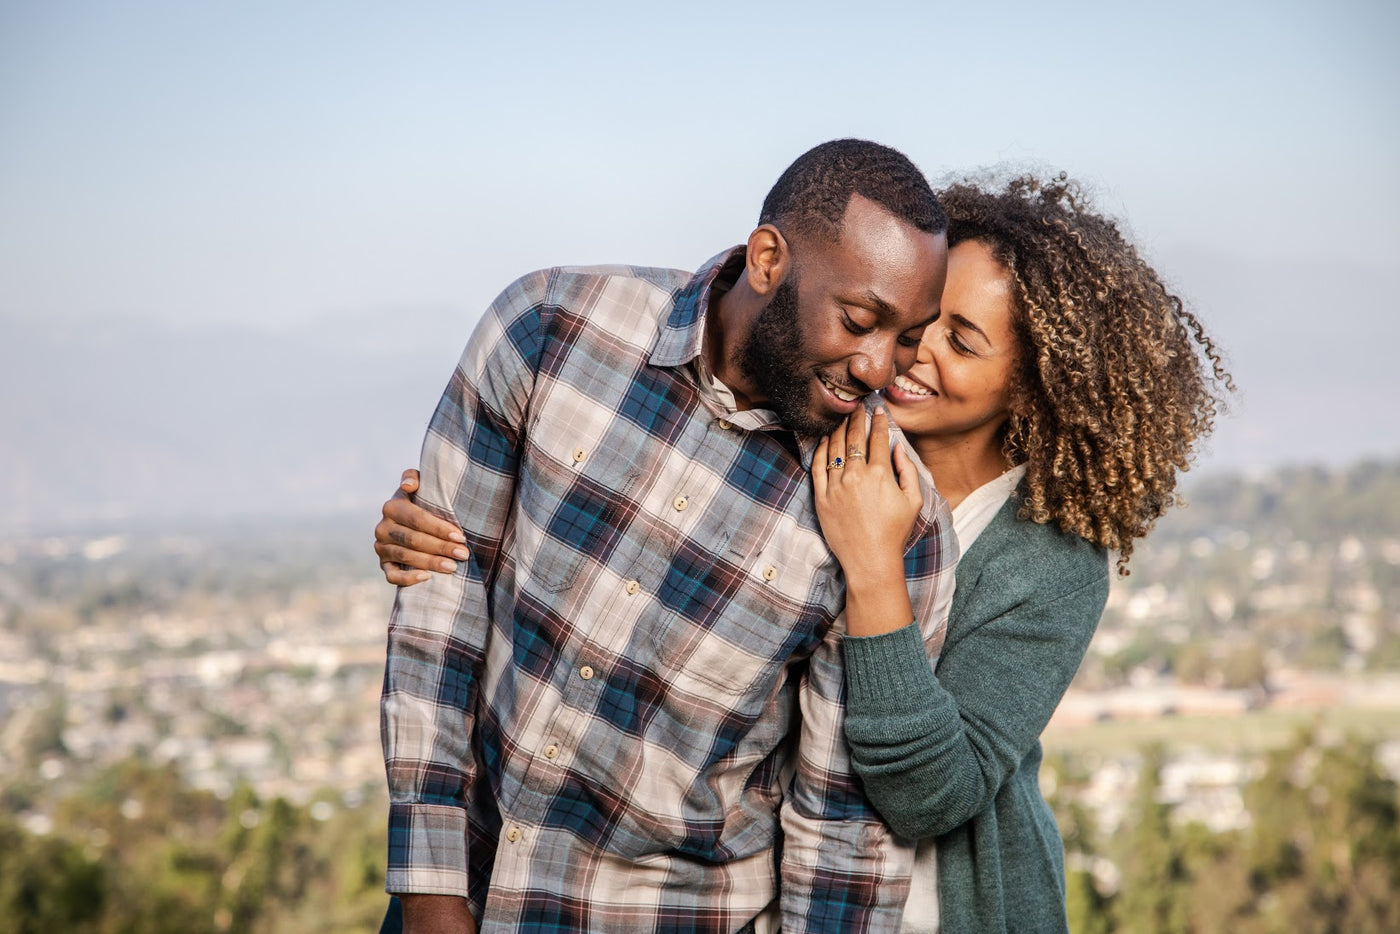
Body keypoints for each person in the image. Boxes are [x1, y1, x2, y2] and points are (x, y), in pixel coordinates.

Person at [378, 173, 1233, 932]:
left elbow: (925, 798)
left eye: (958, 341)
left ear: (1037, 384)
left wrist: (873, 573)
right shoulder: (795, 420)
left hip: (942, 905)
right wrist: (447, 525)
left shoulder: (1030, 562)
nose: (904, 357)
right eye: (906, 324)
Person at [378, 139, 958, 934]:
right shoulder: (549, 330)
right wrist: (431, 891)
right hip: (454, 899)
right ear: (766, 259)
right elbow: (439, 617)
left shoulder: (897, 520)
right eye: (860, 320)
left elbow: (844, 830)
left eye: (907, 338)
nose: (878, 368)